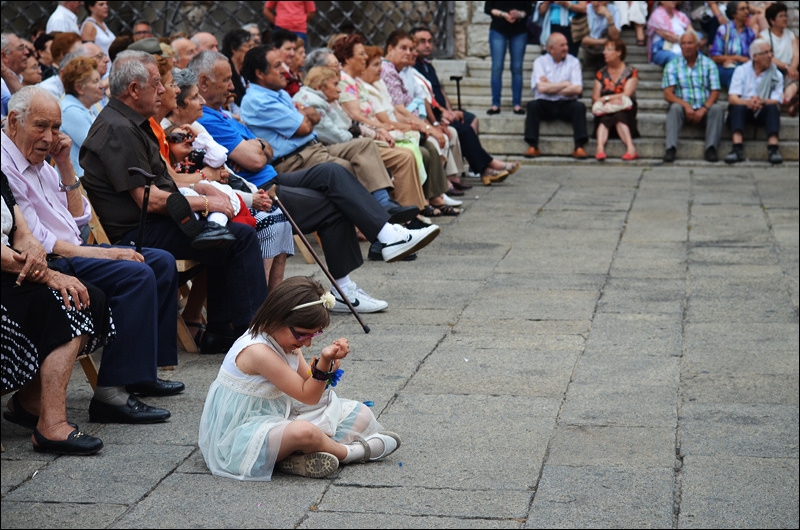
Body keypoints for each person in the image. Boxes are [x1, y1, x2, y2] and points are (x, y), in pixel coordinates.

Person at [188, 50, 441, 312]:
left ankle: (386, 235)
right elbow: (255, 159)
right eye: (226, 80)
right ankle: (351, 280)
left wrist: (259, 146)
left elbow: (267, 151)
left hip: (273, 175)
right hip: (258, 191)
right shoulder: (207, 117)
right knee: (334, 202)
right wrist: (258, 147)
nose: (233, 85)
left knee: (331, 172)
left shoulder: (224, 114)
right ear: (204, 82)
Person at [3, 86, 184, 423]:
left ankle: (141, 373)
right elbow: (40, 242)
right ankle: (111, 394)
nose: (49, 136)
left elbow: (78, 219)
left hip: (74, 247)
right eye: (40, 126)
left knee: (160, 261)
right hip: (53, 259)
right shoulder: (7, 162)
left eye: (56, 128)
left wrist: (64, 166)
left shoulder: (41, 158)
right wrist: (107, 255)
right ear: (14, 121)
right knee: (136, 274)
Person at [79, 50, 268, 355]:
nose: (165, 90)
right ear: (134, 90)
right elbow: (147, 200)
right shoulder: (118, 128)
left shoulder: (131, 122)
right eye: (157, 83)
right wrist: (206, 203)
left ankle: (222, 332)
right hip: (136, 232)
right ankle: (253, 341)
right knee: (239, 237)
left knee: (227, 234)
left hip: (156, 221)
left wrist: (207, 198)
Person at [198, 276, 401, 480]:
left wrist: (329, 364)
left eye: (314, 335)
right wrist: (323, 362)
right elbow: (308, 395)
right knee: (304, 432)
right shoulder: (258, 351)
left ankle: (292, 457)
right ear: (278, 319)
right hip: (239, 437)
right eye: (303, 335)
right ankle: (351, 453)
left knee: (360, 413)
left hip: (276, 416)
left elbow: (308, 379)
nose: (307, 344)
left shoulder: (285, 340)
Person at [239, 45, 419, 224]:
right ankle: (383, 228)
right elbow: (304, 127)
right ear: (260, 74)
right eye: (277, 66)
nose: (284, 70)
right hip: (294, 160)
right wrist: (304, 114)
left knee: (364, 145)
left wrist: (305, 115)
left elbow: (312, 118)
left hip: (313, 149)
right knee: (346, 169)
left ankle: (384, 204)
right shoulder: (257, 100)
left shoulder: (279, 93)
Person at [1, 170, 112, 455]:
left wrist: (35, 254)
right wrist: (44, 273)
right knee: (62, 300)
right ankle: (51, 424)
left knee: (84, 296)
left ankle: (31, 400)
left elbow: (22, 231)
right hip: (6, 269)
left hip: (12, 267)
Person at [411, 27, 519, 189]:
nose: (427, 45)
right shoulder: (413, 70)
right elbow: (424, 99)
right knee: (463, 129)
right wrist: (442, 115)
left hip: (442, 111)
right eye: (422, 42)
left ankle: (480, 168)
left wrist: (451, 110)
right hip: (432, 115)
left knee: (471, 119)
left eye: (430, 41)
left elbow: (440, 91)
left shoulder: (428, 66)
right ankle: (488, 166)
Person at [661, 30, 725, 163]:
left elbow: (715, 91)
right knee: (675, 108)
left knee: (717, 109)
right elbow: (668, 94)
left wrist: (704, 108)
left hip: (704, 108)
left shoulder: (709, 64)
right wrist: (685, 105)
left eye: (690, 43)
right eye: (683, 43)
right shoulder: (672, 65)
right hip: (683, 109)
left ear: (697, 46)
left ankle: (711, 148)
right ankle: (670, 148)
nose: (686, 46)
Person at [523, 32, 589, 160]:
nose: (566, 48)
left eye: (566, 45)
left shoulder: (573, 61)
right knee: (532, 106)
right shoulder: (540, 62)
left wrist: (550, 86)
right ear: (551, 49)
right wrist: (565, 84)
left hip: (566, 104)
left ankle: (579, 147)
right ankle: (533, 146)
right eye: (562, 45)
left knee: (579, 107)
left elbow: (578, 88)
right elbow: (541, 88)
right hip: (545, 104)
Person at [723, 38, 784, 164]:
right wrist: (748, 103)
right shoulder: (741, 71)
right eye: (766, 53)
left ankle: (773, 148)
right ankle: (737, 148)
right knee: (737, 107)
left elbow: (776, 100)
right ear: (755, 57)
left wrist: (761, 101)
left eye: (770, 52)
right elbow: (733, 97)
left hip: (764, 109)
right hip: (745, 108)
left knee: (773, 109)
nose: (770, 56)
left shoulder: (776, 74)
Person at [591, 38, 639, 161]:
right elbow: (595, 96)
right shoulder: (601, 73)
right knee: (605, 118)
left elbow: (627, 93)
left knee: (620, 115)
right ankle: (600, 148)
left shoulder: (630, 72)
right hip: (606, 109)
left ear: (619, 52)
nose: (604, 53)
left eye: (608, 50)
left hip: (624, 109)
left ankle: (630, 148)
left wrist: (607, 98)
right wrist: (608, 102)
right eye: (605, 49)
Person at [483, 2, 533, 115]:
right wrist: (503, 14)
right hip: (498, 29)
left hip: (519, 30)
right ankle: (495, 104)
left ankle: (517, 104)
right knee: (497, 67)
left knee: (517, 68)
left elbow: (529, 10)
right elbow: (488, 8)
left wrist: (519, 14)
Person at [59, 56, 104, 176]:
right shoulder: (70, 111)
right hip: (80, 184)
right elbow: (98, 147)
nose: (102, 85)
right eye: (95, 82)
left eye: (100, 80)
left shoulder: (91, 106)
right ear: (79, 88)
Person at [761, 2, 798, 115]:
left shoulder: (790, 35)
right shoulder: (764, 36)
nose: (785, 18)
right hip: (773, 70)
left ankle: (787, 99)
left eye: (785, 15)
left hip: (789, 71)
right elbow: (766, 56)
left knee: (794, 81)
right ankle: (788, 100)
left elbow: (797, 54)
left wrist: (792, 68)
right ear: (772, 20)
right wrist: (786, 66)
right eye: (781, 16)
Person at [710, 1, 757, 89]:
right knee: (735, 73)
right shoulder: (724, 30)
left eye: (747, 8)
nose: (746, 12)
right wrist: (736, 58)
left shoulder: (750, 33)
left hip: (744, 68)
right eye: (742, 9)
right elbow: (715, 57)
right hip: (725, 68)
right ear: (733, 13)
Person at [647, 1, 692, 66]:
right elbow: (669, 37)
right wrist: (688, 41)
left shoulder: (681, 16)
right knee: (676, 60)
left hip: (683, 46)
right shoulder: (656, 16)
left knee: (697, 55)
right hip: (663, 49)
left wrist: (692, 40)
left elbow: (692, 33)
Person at [221, 28, 256, 114]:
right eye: (249, 46)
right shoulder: (226, 70)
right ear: (234, 48)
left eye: (253, 46)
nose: (253, 50)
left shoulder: (245, 69)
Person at [581, 1, 622, 71]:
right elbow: (583, 39)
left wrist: (609, 17)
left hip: (604, 49)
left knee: (613, 49)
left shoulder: (615, 10)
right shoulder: (585, 10)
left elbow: (615, 37)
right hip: (587, 46)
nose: (596, 4)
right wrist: (602, 41)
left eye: (600, 1)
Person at [2, 33, 30, 117]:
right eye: (21, 48)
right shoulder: (2, 83)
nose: (26, 52)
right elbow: (27, 107)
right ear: (4, 56)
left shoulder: (19, 77)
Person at [272, 29, 304, 97]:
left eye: (294, 49)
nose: (292, 54)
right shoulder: (275, 73)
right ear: (275, 50)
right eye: (288, 49)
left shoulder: (289, 70)